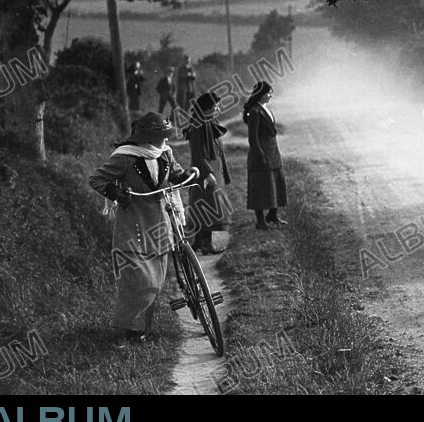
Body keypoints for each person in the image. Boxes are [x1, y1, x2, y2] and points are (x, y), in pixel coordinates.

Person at [88, 112, 188, 345]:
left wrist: (188, 175)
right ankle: (131, 329)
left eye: (166, 135)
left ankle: (142, 329)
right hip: (134, 224)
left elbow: (175, 173)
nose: (165, 140)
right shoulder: (125, 157)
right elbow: (97, 179)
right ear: (148, 137)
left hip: (160, 224)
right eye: (161, 136)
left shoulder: (165, 153)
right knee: (138, 279)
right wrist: (116, 193)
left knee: (155, 279)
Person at [184, 92, 232, 255]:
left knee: (205, 206)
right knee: (207, 207)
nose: (217, 108)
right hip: (204, 170)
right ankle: (206, 244)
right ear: (206, 108)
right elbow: (197, 155)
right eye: (215, 105)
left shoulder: (208, 121)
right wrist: (208, 173)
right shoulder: (197, 126)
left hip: (212, 168)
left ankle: (198, 242)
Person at [243, 81, 287, 230]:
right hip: (261, 153)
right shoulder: (255, 112)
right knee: (261, 187)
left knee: (276, 182)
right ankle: (260, 221)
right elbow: (252, 138)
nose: (270, 95)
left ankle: (273, 215)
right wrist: (260, 155)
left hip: (273, 151)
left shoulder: (265, 108)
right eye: (268, 92)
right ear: (260, 95)